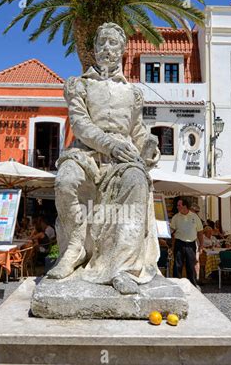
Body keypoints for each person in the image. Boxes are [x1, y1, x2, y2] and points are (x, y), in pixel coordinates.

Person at [47, 22, 160, 294]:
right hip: (86, 152)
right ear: (95, 49)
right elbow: (80, 124)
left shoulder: (133, 93)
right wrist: (108, 144)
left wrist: (148, 148)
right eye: (102, 43)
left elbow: (137, 130)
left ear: (122, 50)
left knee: (137, 181)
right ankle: (75, 249)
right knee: (65, 182)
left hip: (123, 158)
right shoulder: (79, 85)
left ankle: (122, 267)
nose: (106, 48)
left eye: (113, 43)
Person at [170, 198, 203, 286]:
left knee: (190, 266)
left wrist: (201, 246)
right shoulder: (175, 217)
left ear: (185, 206)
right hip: (179, 243)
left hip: (191, 244)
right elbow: (171, 231)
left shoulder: (195, 217)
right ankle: (176, 285)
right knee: (177, 265)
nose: (177, 207)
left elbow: (200, 232)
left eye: (179, 205)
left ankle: (192, 285)